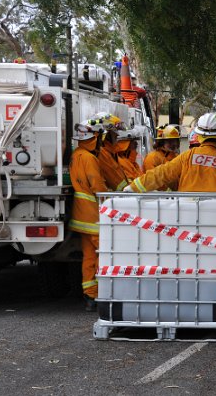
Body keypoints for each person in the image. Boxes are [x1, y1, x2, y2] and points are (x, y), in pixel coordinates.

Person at [124, 112, 216, 193]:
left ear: (199, 134)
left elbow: (161, 174)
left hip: (187, 218)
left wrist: (132, 188)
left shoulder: (187, 156)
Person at [69, 119, 108, 311]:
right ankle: (104, 292)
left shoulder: (76, 154)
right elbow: (96, 185)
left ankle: (90, 295)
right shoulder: (89, 158)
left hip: (81, 215)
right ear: (94, 138)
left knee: (89, 256)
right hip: (93, 215)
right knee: (104, 253)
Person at [95, 114, 130, 192]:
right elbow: (114, 180)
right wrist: (128, 192)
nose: (117, 135)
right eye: (115, 133)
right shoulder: (103, 153)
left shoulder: (111, 153)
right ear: (106, 134)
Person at [142, 124, 181, 190]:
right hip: (158, 197)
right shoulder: (152, 157)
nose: (173, 144)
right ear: (161, 142)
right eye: (169, 141)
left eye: (175, 140)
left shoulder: (177, 157)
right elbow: (151, 179)